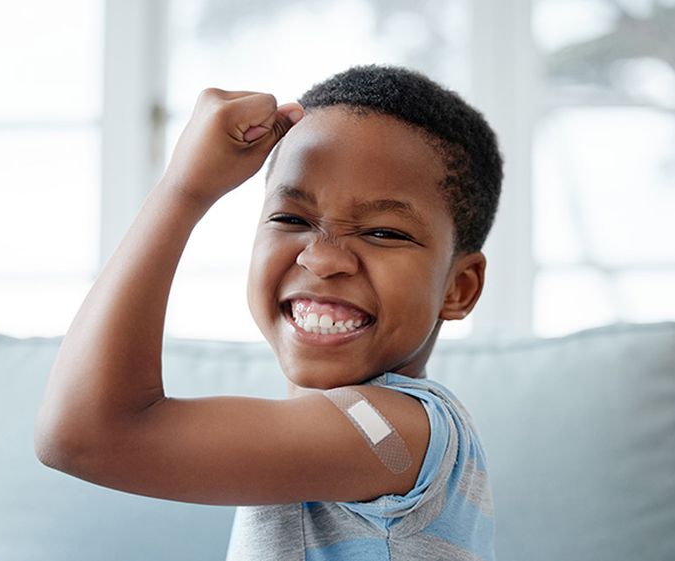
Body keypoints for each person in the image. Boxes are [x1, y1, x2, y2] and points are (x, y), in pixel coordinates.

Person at [34, 64, 503, 560]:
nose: (321, 258)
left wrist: (184, 190)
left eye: (383, 232)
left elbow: (85, 435)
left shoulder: (393, 432)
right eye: (291, 218)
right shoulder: (349, 435)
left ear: (459, 287)